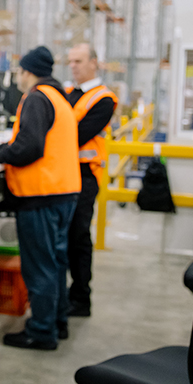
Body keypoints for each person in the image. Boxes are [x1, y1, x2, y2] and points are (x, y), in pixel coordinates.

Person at [0, 46, 80, 350]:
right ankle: (56, 323)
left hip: (42, 194)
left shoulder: (36, 98)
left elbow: (28, 148)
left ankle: (40, 331)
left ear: (27, 72)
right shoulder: (58, 97)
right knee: (55, 263)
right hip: (64, 192)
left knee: (40, 267)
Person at [65, 43, 117, 317]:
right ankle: (68, 294)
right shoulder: (67, 93)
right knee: (65, 237)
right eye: (71, 61)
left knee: (78, 237)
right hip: (63, 174)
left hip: (85, 176)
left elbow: (74, 135)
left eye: (79, 61)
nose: (73, 66)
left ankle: (81, 298)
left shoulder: (103, 99)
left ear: (94, 63)